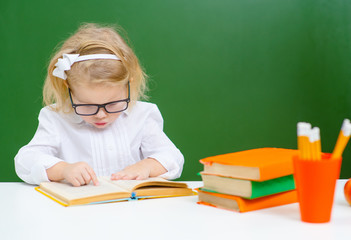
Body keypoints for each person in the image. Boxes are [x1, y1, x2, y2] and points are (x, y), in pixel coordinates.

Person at [14, 23, 184, 187]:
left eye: (113, 103)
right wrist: (64, 170)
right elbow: (25, 161)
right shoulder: (56, 117)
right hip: (75, 212)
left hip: (132, 210)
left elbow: (173, 157)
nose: (101, 115)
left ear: (128, 85)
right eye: (87, 105)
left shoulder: (142, 115)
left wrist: (147, 166)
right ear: (69, 89)